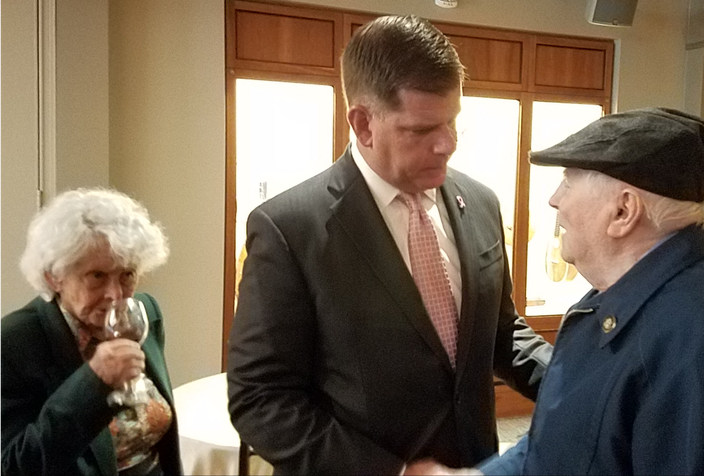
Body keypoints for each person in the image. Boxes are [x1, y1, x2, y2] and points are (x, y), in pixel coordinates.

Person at [227, 14, 552, 475]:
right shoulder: (290, 229)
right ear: (362, 123)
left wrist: (577, 375)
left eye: (453, 122)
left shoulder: (480, 202)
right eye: (422, 130)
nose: (447, 145)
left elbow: (499, 332)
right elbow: (261, 399)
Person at [413, 107, 704, 475]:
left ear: (623, 211)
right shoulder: (614, 296)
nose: (554, 199)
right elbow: (564, 441)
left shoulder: (698, 335)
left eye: (569, 182)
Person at [0, 188, 183, 476]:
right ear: (54, 277)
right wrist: (93, 381)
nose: (115, 294)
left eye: (127, 274)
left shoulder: (144, 314)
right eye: (97, 276)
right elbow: (15, 466)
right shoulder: (13, 343)